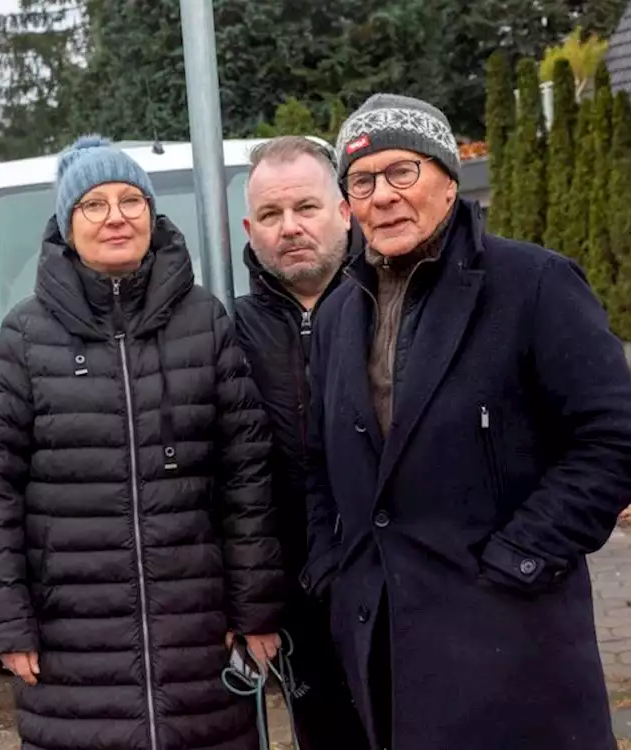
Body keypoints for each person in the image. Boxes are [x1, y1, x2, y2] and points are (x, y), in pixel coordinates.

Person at [302, 93, 631, 750]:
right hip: (384, 646)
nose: (382, 195)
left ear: (445, 180)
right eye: (362, 181)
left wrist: (522, 557)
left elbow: (614, 445)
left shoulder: (534, 285)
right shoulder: (335, 317)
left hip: (511, 640)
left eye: (401, 172)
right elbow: (317, 461)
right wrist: (333, 565)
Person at [0, 134, 284, 750]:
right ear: (66, 223)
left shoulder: (204, 321)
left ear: (152, 214)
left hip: (196, 630)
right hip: (73, 639)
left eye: (131, 200)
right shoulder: (25, 337)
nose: (116, 217)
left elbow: (246, 477)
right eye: (94, 204)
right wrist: (7, 624)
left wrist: (256, 611)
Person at [232, 135, 369, 749]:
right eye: (270, 214)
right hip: (297, 607)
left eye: (306, 208)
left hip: (403, 591)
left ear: (344, 208)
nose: (290, 227)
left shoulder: (398, 302)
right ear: (250, 227)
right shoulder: (223, 334)